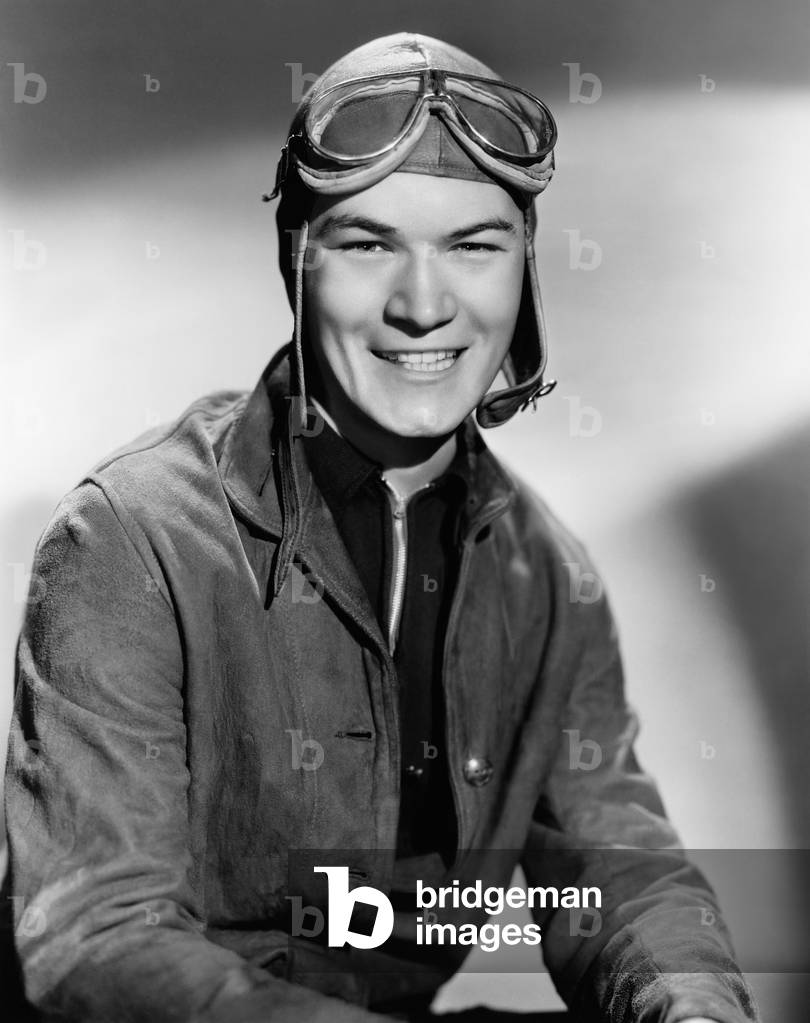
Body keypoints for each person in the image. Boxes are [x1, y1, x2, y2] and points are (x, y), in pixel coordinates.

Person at [2, 31, 758, 1023]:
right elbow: (95, 940)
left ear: (523, 277)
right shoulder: (132, 539)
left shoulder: (543, 577)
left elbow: (620, 874)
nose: (424, 305)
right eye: (368, 244)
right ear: (298, 263)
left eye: (474, 247)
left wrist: (696, 1011)